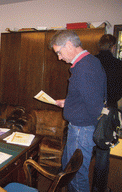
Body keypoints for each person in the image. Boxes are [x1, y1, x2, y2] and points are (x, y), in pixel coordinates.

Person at [49, 30, 106, 192]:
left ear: (68, 45)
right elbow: (88, 96)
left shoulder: (84, 68)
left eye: (59, 52)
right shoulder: (90, 62)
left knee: (77, 176)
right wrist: (68, 103)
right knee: (69, 171)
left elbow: (94, 106)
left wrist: (72, 108)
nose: (59, 58)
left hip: (82, 130)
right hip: (81, 128)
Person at [92, 34, 122, 192]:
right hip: (108, 112)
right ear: (113, 46)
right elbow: (118, 93)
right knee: (103, 152)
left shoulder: (91, 61)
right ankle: (99, 189)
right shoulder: (119, 64)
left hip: (90, 111)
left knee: (83, 151)